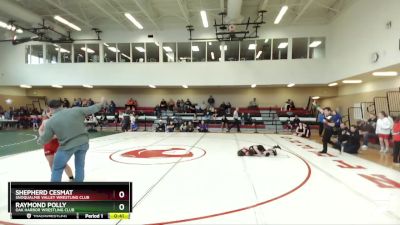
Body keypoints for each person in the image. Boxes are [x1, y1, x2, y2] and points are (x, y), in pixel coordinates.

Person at [37, 97, 105, 182]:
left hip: (67, 147)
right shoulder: (76, 110)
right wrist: (101, 103)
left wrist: (39, 139)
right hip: (83, 143)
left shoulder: (51, 121)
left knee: (57, 168)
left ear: (50, 108)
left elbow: (45, 139)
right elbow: (92, 108)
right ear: (61, 105)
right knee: (79, 166)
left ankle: (54, 190)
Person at [39, 109, 74, 182]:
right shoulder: (45, 121)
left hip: (58, 145)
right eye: (48, 111)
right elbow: (40, 130)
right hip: (48, 145)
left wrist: (50, 136)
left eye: (51, 111)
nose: (50, 113)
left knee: (62, 163)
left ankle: (71, 178)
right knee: (51, 164)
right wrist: (42, 136)